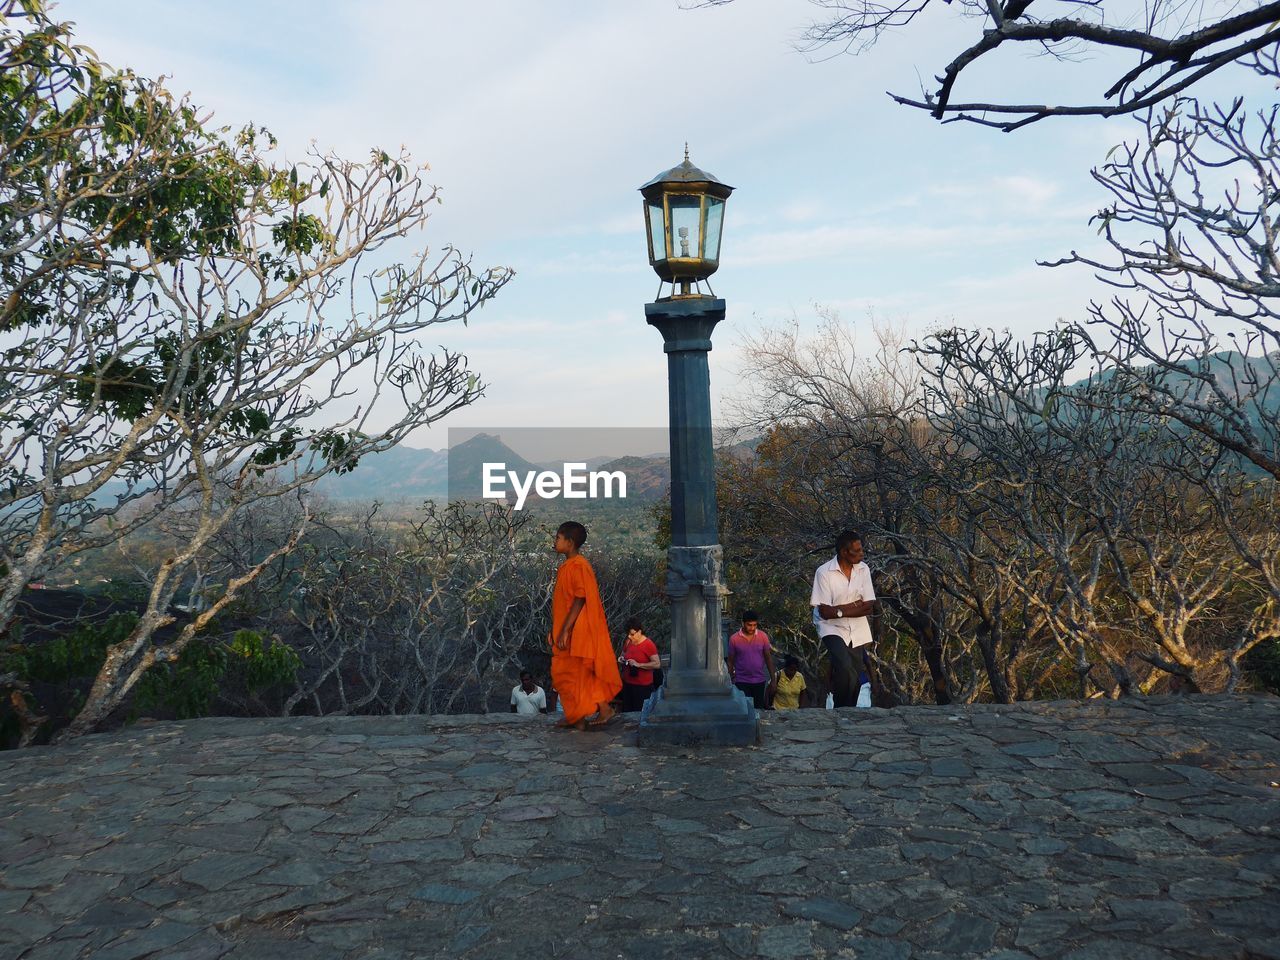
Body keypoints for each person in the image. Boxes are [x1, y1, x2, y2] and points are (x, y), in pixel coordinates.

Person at [549, 521, 623, 730]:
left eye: (558, 538)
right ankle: (580, 716)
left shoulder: (579, 565)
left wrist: (565, 630)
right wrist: (556, 629)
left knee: (576, 673)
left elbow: (581, 599)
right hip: (566, 628)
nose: (554, 542)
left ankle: (585, 714)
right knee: (569, 673)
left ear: (570, 543)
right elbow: (565, 602)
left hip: (577, 630)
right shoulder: (567, 566)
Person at [811, 531, 880, 708]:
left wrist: (839, 610)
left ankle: (849, 709)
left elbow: (869, 606)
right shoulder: (824, 572)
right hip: (830, 627)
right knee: (843, 666)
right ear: (843, 552)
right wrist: (854, 606)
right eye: (856, 551)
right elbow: (825, 612)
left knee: (855, 674)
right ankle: (841, 709)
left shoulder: (863, 569)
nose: (861, 553)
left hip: (856, 627)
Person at [726, 610, 775, 710]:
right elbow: (730, 661)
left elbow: (768, 658)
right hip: (741, 681)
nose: (752, 628)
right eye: (749, 625)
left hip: (759, 681)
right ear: (743, 623)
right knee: (744, 709)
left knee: (758, 710)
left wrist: (773, 680)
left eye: (754, 625)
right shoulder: (734, 639)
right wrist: (729, 679)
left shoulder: (763, 637)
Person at [618, 616, 661, 713]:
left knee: (639, 713)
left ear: (639, 631)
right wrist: (622, 659)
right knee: (627, 712)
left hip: (642, 687)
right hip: (628, 684)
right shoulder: (628, 642)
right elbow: (623, 654)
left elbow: (657, 664)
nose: (629, 636)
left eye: (632, 634)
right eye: (628, 634)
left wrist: (639, 665)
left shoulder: (648, 644)